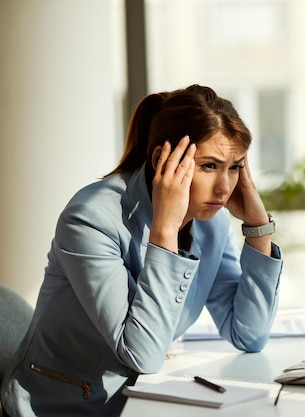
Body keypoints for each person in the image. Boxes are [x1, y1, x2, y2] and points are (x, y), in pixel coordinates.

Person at [0, 85, 283, 417]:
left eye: (234, 167)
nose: (224, 187)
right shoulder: (90, 218)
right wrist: (165, 231)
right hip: (63, 408)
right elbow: (142, 355)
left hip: (143, 402)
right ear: (164, 161)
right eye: (209, 166)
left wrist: (258, 228)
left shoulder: (212, 223)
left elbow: (248, 334)